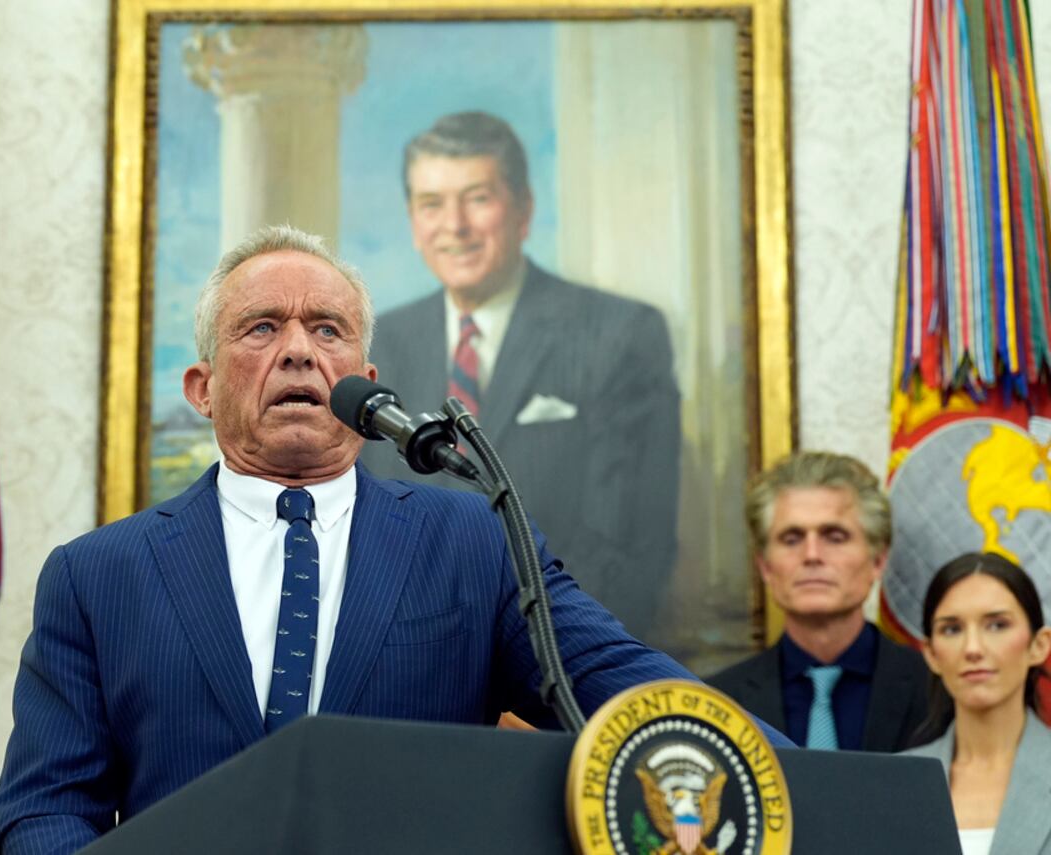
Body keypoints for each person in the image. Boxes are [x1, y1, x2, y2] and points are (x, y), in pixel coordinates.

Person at [0, 225, 767, 855]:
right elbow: (44, 814)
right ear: (202, 388)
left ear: (365, 379)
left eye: (325, 330)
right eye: (261, 327)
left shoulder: (468, 540)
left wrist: (802, 775)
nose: (298, 350)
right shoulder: (97, 577)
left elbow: (622, 683)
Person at [360, 111, 679, 639]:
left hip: (558, 676)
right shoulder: (378, 344)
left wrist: (532, 680)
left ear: (523, 210)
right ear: (413, 222)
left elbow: (629, 547)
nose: (455, 225)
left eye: (478, 198)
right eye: (432, 204)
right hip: (408, 671)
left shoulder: (620, 334)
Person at [707, 451, 929, 751]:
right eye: (792, 538)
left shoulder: (936, 691)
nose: (812, 555)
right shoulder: (719, 703)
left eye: (834, 537)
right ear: (765, 567)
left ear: (878, 560)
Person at [902, 553, 1051, 855]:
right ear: (931, 653)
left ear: (1039, 645)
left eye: (997, 625)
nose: (972, 648)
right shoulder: (897, 779)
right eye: (952, 629)